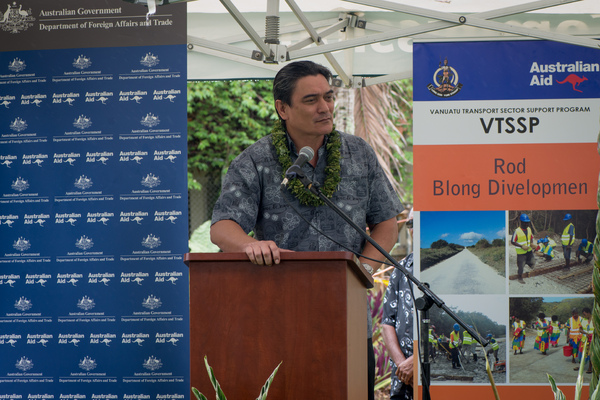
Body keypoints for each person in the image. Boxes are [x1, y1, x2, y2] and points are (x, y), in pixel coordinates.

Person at [210, 60, 404, 400]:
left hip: (347, 309)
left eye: (328, 97)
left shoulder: (359, 153)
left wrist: (364, 271)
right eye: (311, 100)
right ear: (282, 108)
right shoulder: (255, 160)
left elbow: (386, 221)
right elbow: (222, 227)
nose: (325, 107)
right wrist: (248, 246)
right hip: (279, 311)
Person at [382, 211, 414, 400]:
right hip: (403, 379)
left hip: (437, 377)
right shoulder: (400, 269)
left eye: (418, 224)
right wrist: (402, 364)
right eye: (410, 224)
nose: (413, 229)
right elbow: (387, 322)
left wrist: (416, 361)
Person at [511, 213, 536, 283]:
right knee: (521, 266)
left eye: (527, 223)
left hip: (529, 251)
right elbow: (513, 241)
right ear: (521, 222)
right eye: (525, 223)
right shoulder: (517, 231)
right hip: (521, 253)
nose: (526, 224)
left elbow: (531, 237)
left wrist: (531, 243)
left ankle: (526, 263)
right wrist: (521, 246)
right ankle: (520, 278)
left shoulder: (529, 229)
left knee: (533, 262)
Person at [581, 307, 593, 374]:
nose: (584, 316)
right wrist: (585, 333)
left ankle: (590, 368)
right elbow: (580, 329)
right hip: (585, 339)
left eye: (584, 314)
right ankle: (581, 367)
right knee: (584, 354)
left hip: (593, 339)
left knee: (591, 353)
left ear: (588, 313)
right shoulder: (583, 320)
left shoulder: (595, 319)